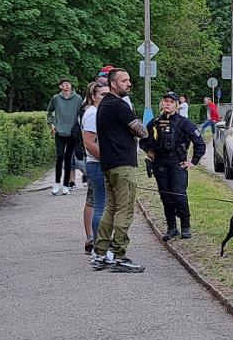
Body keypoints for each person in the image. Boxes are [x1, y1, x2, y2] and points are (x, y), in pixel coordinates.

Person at [90, 69, 148, 273]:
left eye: (129, 80)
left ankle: (100, 253)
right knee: (124, 209)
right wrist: (135, 130)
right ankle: (119, 256)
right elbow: (142, 130)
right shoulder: (119, 105)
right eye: (124, 80)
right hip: (123, 164)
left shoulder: (103, 105)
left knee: (110, 209)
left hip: (108, 164)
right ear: (113, 84)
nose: (129, 84)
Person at [143, 91, 206, 240]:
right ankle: (172, 228)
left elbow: (199, 143)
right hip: (159, 164)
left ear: (177, 105)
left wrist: (193, 161)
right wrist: (148, 151)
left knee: (179, 196)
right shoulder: (155, 122)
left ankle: (185, 227)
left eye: (171, 102)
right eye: (166, 101)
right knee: (166, 197)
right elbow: (143, 140)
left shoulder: (184, 122)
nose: (168, 104)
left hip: (177, 164)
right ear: (162, 103)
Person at [78, 80, 110, 253]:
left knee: (97, 202)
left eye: (108, 94)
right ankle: (97, 243)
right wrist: (106, 161)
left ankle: (97, 241)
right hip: (97, 164)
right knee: (99, 205)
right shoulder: (92, 113)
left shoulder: (97, 111)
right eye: (102, 95)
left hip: (97, 163)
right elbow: (89, 143)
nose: (105, 98)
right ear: (93, 96)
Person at [47, 79, 84, 195]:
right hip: (59, 132)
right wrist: (52, 125)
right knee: (60, 156)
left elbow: (82, 113)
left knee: (68, 159)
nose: (67, 85)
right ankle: (57, 183)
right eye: (64, 84)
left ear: (71, 86)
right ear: (60, 87)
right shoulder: (56, 98)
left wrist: (81, 129)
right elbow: (49, 112)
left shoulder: (78, 99)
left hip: (72, 132)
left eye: (68, 84)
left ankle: (65, 185)